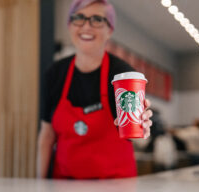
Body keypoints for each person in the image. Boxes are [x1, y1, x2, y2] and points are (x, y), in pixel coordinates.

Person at [37, 0, 153, 179]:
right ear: (69, 25)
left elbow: (134, 133)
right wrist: (40, 185)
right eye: (79, 18)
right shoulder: (54, 74)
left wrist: (142, 125)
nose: (86, 26)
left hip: (115, 188)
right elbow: (47, 135)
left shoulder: (123, 75)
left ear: (110, 30)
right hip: (65, 186)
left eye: (97, 19)